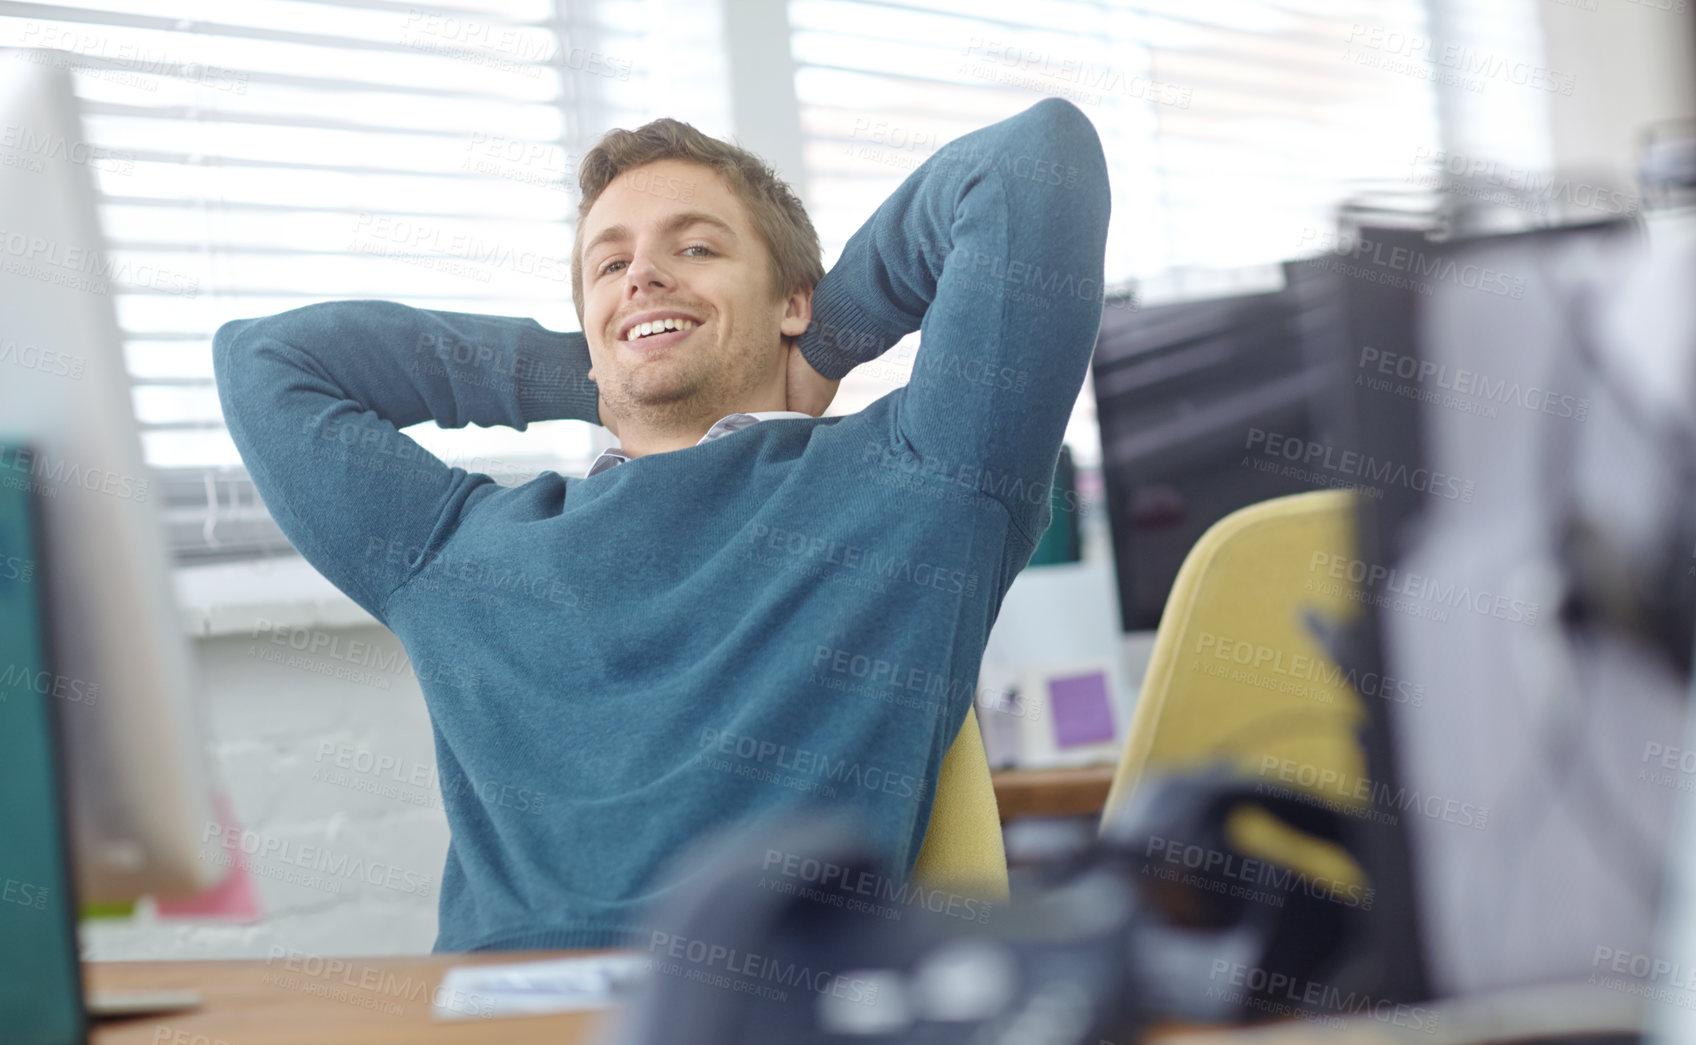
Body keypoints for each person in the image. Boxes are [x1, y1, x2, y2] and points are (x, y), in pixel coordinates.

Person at [213, 97, 1111, 952]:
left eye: (696, 247)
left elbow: (1034, 165)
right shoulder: (458, 549)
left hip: (763, 1026)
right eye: (609, 266)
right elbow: (265, 362)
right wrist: (610, 361)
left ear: (792, 298)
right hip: (493, 1021)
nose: (643, 273)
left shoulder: (922, 478)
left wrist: (824, 341)